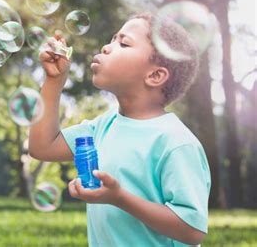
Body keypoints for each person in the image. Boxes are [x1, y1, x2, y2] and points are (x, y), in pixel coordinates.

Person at [28, 13, 211, 246]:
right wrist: (54, 81)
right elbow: (43, 147)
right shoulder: (103, 126)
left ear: (155, 75)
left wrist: (119, 198)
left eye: (123, 43)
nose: (106, 47)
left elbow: (192, 229)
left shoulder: (175, 141)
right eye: (113, 39)